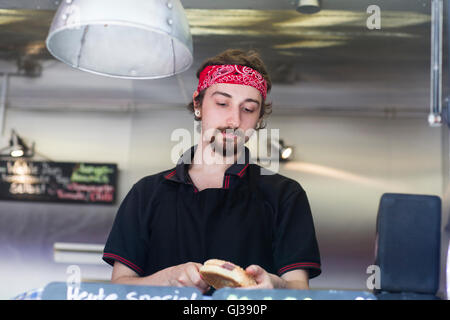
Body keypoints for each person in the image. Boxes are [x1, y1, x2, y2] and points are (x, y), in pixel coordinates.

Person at [102, 49, 321, 294]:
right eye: (222, 103)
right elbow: (119, 288)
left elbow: (299, 289)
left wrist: (275, 286)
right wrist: (168, 278)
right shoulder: (146, 193)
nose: (234, 120)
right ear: (198, 104)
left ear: (259, 118)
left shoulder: (284, 194)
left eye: (248, 109)